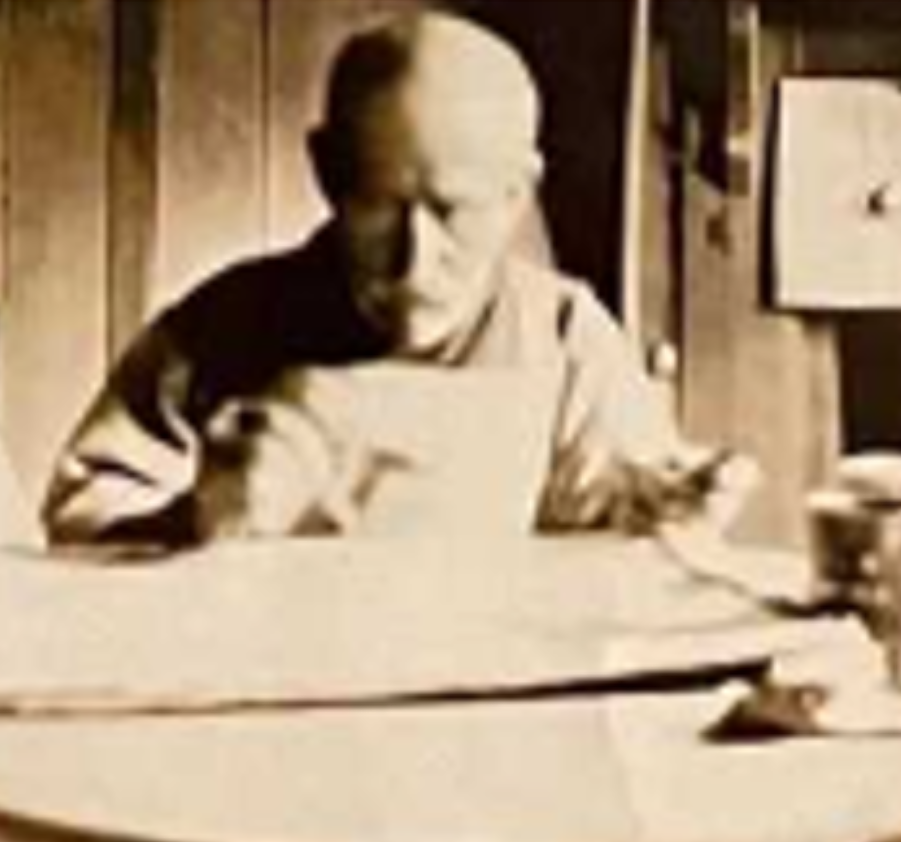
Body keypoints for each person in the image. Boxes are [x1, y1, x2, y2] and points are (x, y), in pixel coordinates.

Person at [43, 11, 752, 550]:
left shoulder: (564, 341)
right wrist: (194, 516)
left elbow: (627, 536)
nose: (415, 260)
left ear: (516, 193)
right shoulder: (222, 329)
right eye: (379, 207)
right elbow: (75, 527)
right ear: (326, 172)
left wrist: (664, 513)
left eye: (457, 211)